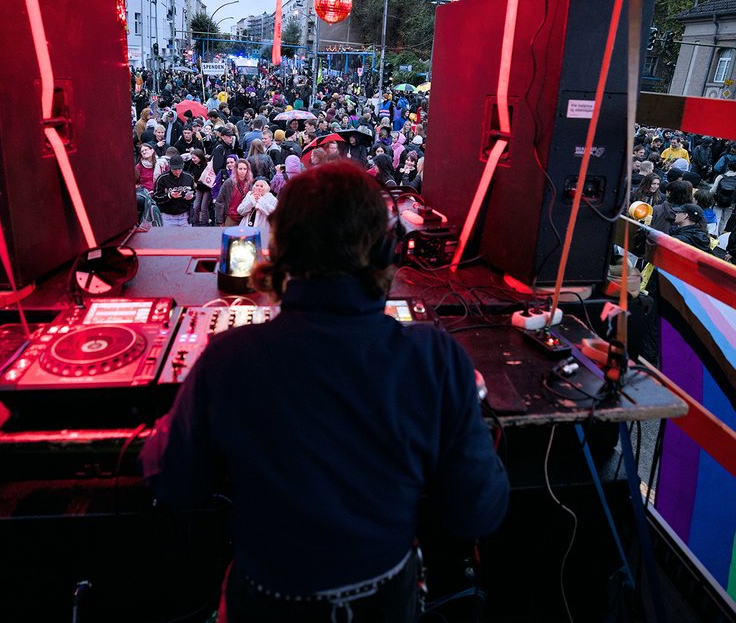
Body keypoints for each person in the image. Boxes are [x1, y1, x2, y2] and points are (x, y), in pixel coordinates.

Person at [140, 161, 509, 622]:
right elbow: (479, 512)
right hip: (386, 602)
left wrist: (171, 422)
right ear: (386, 250)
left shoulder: (228, 360)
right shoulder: (434, 359)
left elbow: (173, 483)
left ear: (278, 251)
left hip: (266, 603)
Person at [153, 154, 196, 227]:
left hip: (185, 216)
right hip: (167, 217)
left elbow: (194, 194)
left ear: (183, 166)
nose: (177, 171)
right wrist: (169, 196)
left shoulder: (189, 177)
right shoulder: (162, 178)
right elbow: (156, 197)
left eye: (179, 169)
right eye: (174, 169)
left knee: (187, 238)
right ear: (170, 167)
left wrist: (191, 197)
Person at [236, 177, 277, 245]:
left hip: (263, 228)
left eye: (261, 186)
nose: (259, 188)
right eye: (257, 185)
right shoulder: (249, 195)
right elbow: (240, 211)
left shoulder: (272, 198)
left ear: (266, 187)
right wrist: (251, 201)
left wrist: (261, 202)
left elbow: (274, 214)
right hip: (246, 227)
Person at [710, 162, 736, 235]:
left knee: (716, 218)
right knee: (724, 220)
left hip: (718, 201)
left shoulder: (721, 176)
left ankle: (713, 234)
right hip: (731, 203)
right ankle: (719, 235)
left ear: (728, 167)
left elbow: (713, 190)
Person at [216, 158, 253, 227]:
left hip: (245, 217)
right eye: (240, 169)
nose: (243, 171)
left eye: (245, 169)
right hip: (231, 217)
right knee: (230, 237)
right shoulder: (229, 182)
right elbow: (220, 201)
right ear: (236, 169)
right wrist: (220, 220)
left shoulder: (250, 184)